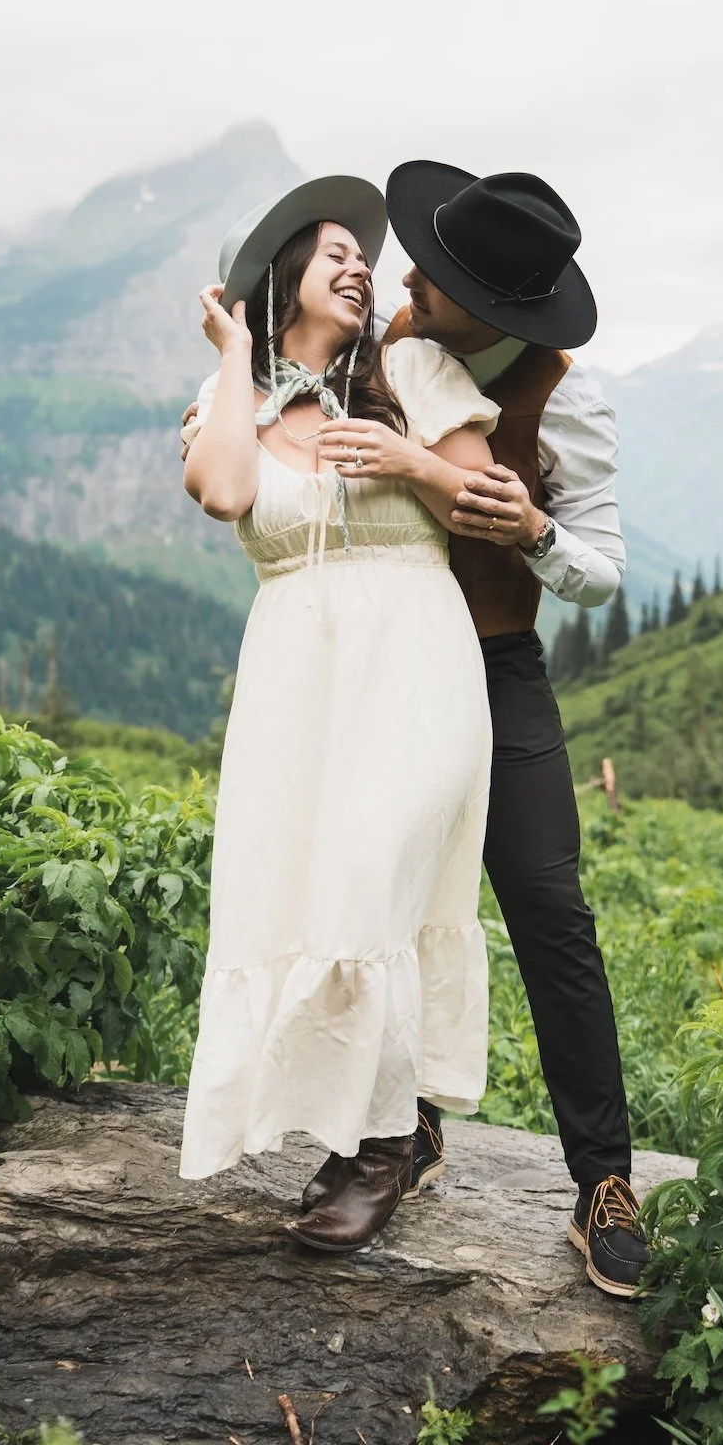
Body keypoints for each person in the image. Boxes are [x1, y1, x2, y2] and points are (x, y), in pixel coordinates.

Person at [178, 175, 500, 1255]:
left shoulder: (413, 372)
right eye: (332, 254)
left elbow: (488, 503)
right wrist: (234, 357)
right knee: (307, 889)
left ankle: (384, 1147)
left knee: (374, 876)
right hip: (297, 680)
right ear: (280, 286)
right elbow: (224, 493)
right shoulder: (233, 405)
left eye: (363, 255)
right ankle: (370, 1122)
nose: (361, 264)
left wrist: (405, 457)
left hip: (417, 658)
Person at [371, 160, 648, 1299]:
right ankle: (400, 1129)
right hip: (385, 669)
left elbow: (603, 574)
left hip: (494, 666)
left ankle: (603, 1184)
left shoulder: (563, 397)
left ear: (493, 311)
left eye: (431, 276)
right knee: (386, 896)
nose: (405, 277)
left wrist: (533, 530)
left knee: (549, 910)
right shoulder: (376, 349)